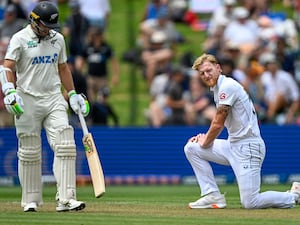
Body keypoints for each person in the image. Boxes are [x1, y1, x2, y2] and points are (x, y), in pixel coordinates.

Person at [0, 1, 89, 212]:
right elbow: (7, 67)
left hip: (53, 98)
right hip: (27, 99)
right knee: (30, 150)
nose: (48, 30)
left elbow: (63, 68)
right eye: (45, 26)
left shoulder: (57, 39)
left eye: (52, 26)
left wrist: (72, 94)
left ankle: (66, 199)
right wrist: (9, 91)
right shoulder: (19, 38)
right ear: (34, 20)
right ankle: (30, 200)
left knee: (65, 143)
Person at [184, 53, 300, 209]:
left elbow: (218, 123)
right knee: (192, 148)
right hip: (233, 145)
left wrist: (206, 140)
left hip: (249, 148)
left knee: (250, 202)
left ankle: (293, 195)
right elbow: (218, 122)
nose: (206, 75)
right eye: (202, 73)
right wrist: (205, 139)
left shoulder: (227, 86)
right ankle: (212, 195)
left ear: (218, 68)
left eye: (208, 70)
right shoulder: (218, 89)